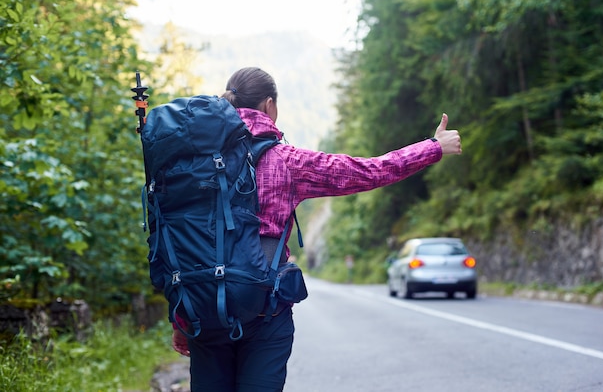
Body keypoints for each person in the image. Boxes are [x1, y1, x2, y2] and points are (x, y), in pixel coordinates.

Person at [171, 66, 462, 391]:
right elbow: (369, 171)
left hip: (205, 308)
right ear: (270, 106)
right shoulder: (287, 161)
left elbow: (177, 237)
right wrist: (433, 147)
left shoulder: (192, 164)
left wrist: (181, 318)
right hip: (265, 311)